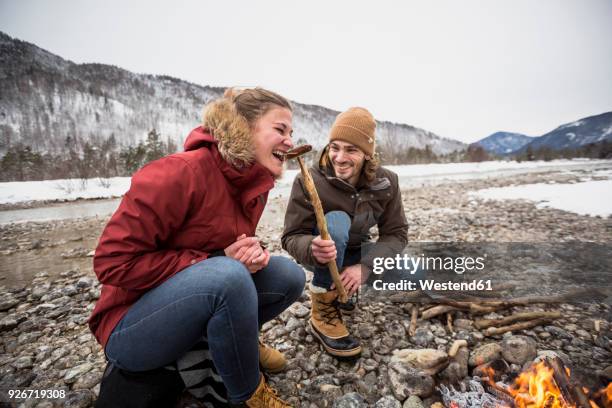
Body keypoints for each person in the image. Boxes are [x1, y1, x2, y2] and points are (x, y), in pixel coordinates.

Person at [89, 87, 305, 407]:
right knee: (228, 276)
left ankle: (239, 342)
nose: (289, 141)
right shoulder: (179, 172)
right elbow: (111, 263)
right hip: (130, 326)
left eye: (291, 132)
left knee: (288, 275)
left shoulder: (252, 184)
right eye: (279, 129)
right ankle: (247, 396)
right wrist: (218, 261)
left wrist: (248, 254)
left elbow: (219, 251)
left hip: (191, 305)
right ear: (243, 127)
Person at [282, 107, 408, 359]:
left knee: (412, 272)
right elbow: (291, 236)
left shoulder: (387, 182)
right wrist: (312, 246)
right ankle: (322, 311)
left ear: (367, 154)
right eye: (334, 147)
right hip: (322, 254)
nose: (339, 158)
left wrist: (366, 266)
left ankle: (346, 289)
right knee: (336, 222)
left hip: (358, 252)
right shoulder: (309, 180)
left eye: (351, 150)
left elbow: (396, 234)